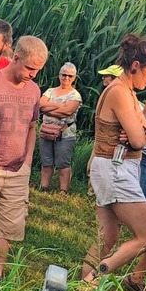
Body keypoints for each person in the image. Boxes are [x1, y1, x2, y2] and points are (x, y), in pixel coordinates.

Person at [0, 35, 48, 280]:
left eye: (37, 70)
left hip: (17, 169)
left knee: (6, 226)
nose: (33, 75)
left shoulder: (34, 90)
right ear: (15, 58)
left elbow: (31, 126)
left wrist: (27, 160)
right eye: (29, 68)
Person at [81, 34, 146, 291]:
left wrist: (138, 132)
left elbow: (141, 134)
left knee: (106, 237)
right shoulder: (120, 91)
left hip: (114, 168)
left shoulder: (129, 92)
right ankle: (92, 280)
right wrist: (138, 134)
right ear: (135, 66)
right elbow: (139, 140)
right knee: (145, 236)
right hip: (115, 169)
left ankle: (82, 288)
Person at [38, 62, 82, 193]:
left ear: (74, 77)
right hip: (46, 130)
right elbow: (41, 105)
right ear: (59, 75)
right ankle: (44, 187)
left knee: (63, 163)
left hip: (65, 133)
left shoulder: (75, 95)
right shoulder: (50, 91)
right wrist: (60, 106)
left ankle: (63, 190)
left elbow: (68, 112)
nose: (66, 78)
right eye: (64, 75)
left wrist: (49, 108)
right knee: (46, 161)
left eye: (70, 76)